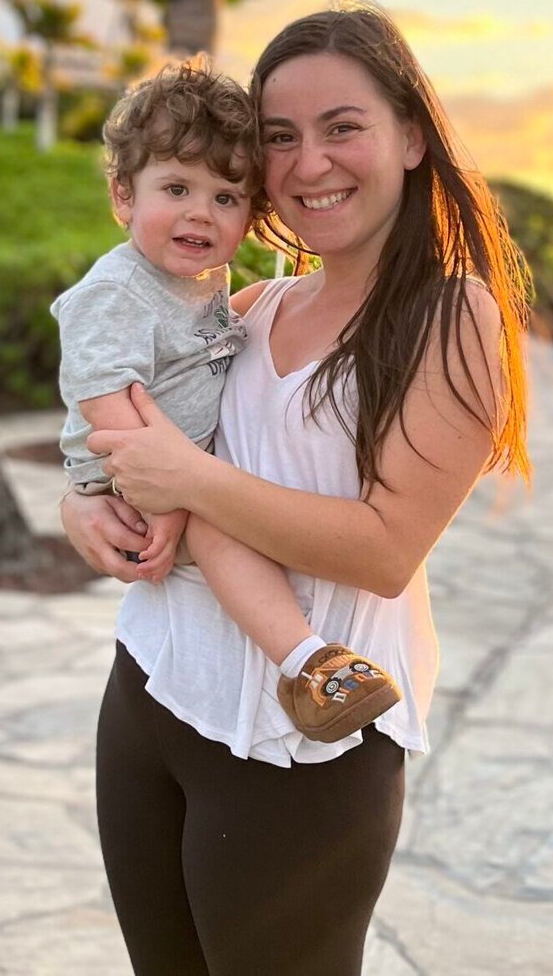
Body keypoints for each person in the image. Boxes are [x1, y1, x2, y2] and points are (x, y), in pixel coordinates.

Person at [59, 1, 531, 974]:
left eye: (342, 127)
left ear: (409, 136)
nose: (309, 161)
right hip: (151, 689)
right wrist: (80, 504)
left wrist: (188, 479)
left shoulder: (450, 318)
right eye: (281, 137)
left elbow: (383, 547)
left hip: (304, 749)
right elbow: (130, 407)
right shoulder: (250, 301)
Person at [54, 58, 401, 744]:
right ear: (123, 197)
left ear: (252, 213)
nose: (198, 213)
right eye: (176, 187)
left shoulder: (211, 282)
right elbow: (102, 399)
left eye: (225, 198)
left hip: (174, 467)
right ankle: (308, 662)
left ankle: (309, 661)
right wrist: (167, 491)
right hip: (142, 467)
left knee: (222, 513)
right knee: (219, 524)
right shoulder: (114, 292)